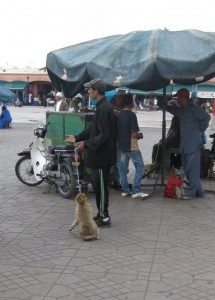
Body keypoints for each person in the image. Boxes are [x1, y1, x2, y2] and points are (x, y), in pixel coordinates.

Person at [65, 79, 117, 227]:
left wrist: (85, 144)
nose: (88, 92)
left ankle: (104, 217)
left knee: (100, 187)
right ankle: (101, 214)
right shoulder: (101, 106)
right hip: (99, 156)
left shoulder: (104, 108)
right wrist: (77, 137)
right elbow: (93, 131)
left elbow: (103, 135)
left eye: (89, 90)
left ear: (96, 91)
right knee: (98, 186)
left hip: (102, 157)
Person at [167, 88, 211, 199]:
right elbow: (174, 110)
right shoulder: (182, 110)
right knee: (187, 169)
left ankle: (191, 193)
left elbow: (207, 117)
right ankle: (199, 191)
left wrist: (200, 130)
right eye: (177, 98)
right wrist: (165, 106)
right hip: (185, 145)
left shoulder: (194, 109)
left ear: (185, 98)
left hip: (193, 145)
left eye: (179, 98)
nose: (177, 100)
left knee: (193, 170)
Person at [118, 93, 149, 199]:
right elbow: (134, 134)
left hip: (122, 146)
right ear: (131, 103)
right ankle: (136, 190)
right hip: (132, 146)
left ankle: (124, 190)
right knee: (140, 167)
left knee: (123, 169)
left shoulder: (119, 114)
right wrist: (141, 135)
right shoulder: (132, 115)